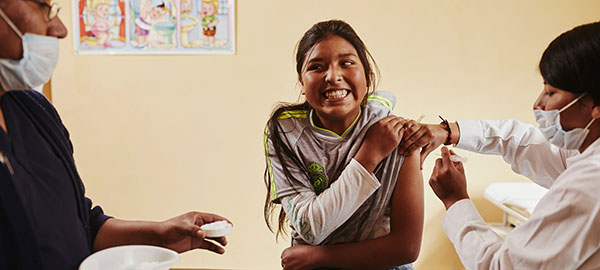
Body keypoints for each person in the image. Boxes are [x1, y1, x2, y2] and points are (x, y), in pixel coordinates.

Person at [0, 1, 230, 269]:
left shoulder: (35, 112)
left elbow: (80, 226)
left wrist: (160, 234)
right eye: (43, 8)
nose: (60, 29)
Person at [399, 21, 600, 269]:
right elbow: (524, 142)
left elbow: (499, 266)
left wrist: (455, 200)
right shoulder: (587, 153)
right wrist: (447, 131)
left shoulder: (587, 185)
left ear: (593, 105)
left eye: (551, 92)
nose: (538, 105)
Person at [263, 20, 423, 270]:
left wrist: (318, 257)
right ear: (301, 82)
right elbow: (310, 227)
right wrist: (369, 156)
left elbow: (406, 248)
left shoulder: (397, 135)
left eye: (346, 63)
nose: (333, 76)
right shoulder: (286, 132)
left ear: (367, 74)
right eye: (316, 67)